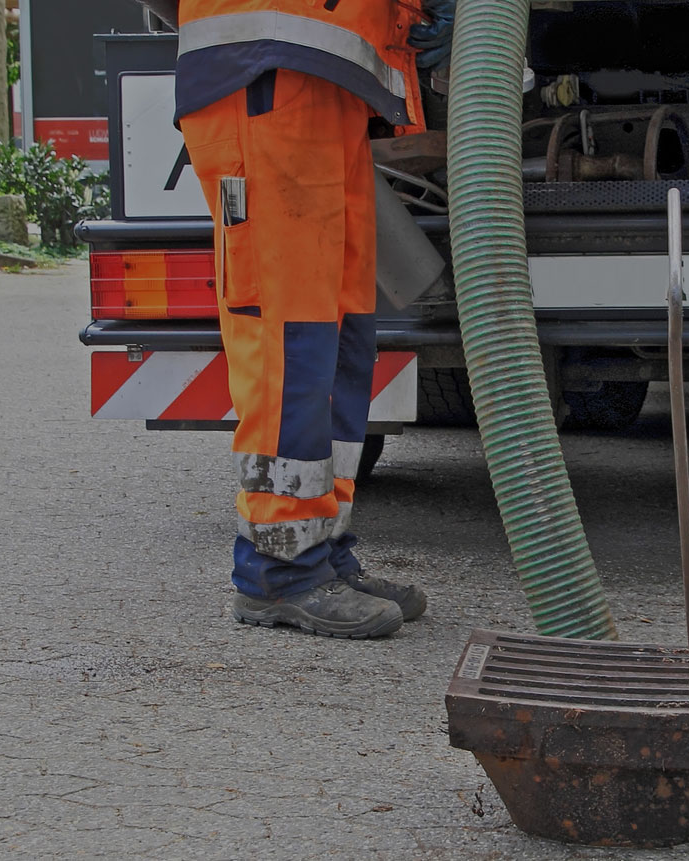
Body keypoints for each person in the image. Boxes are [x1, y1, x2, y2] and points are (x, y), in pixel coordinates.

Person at [143, 0, 450, 637]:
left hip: (324, 78)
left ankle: (321, 546)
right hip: (264, 71)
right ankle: (277, 571)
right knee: (289, 334)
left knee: (339, 331)